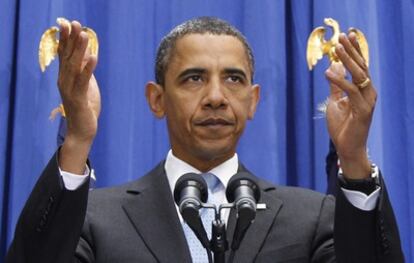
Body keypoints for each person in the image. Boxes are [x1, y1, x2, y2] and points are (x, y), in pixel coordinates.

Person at [6, 17, 403, 263]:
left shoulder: (311, 217)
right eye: (194, 78)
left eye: (234, 79)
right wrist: (77, 138)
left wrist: (353, 158)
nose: (216, 96)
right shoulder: (93, 219)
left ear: (253, 100)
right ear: (156, 99)